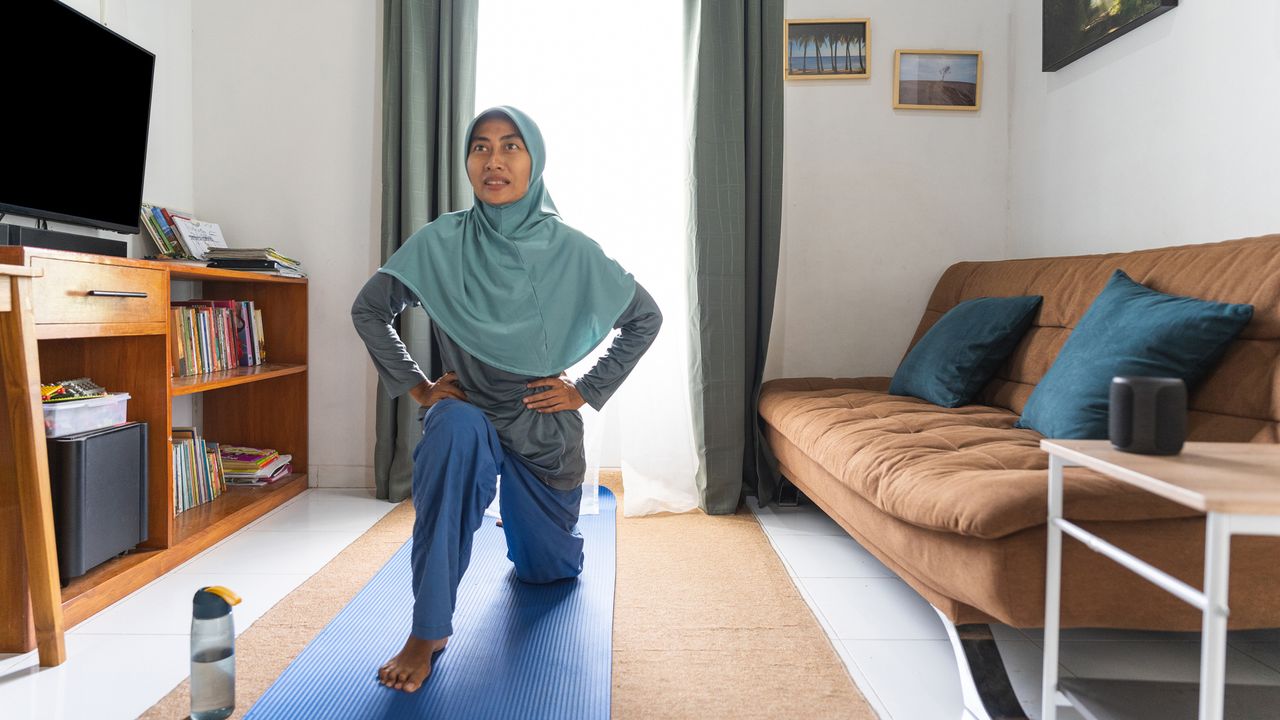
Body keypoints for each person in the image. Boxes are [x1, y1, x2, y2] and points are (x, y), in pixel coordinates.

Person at [351, 106, 661, 693]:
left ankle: (526, 523)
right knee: (450, 430)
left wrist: (585, 389)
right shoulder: (440, 242)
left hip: (541, 433)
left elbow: (645, 318)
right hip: (467, 412)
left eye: (511, 146)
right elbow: (369, 308)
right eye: (481, 147)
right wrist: (419, 385)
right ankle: (427, 629)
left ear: (534, 160)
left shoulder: (572, 249)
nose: (494, 160)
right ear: (467, 161)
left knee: (546, 573)